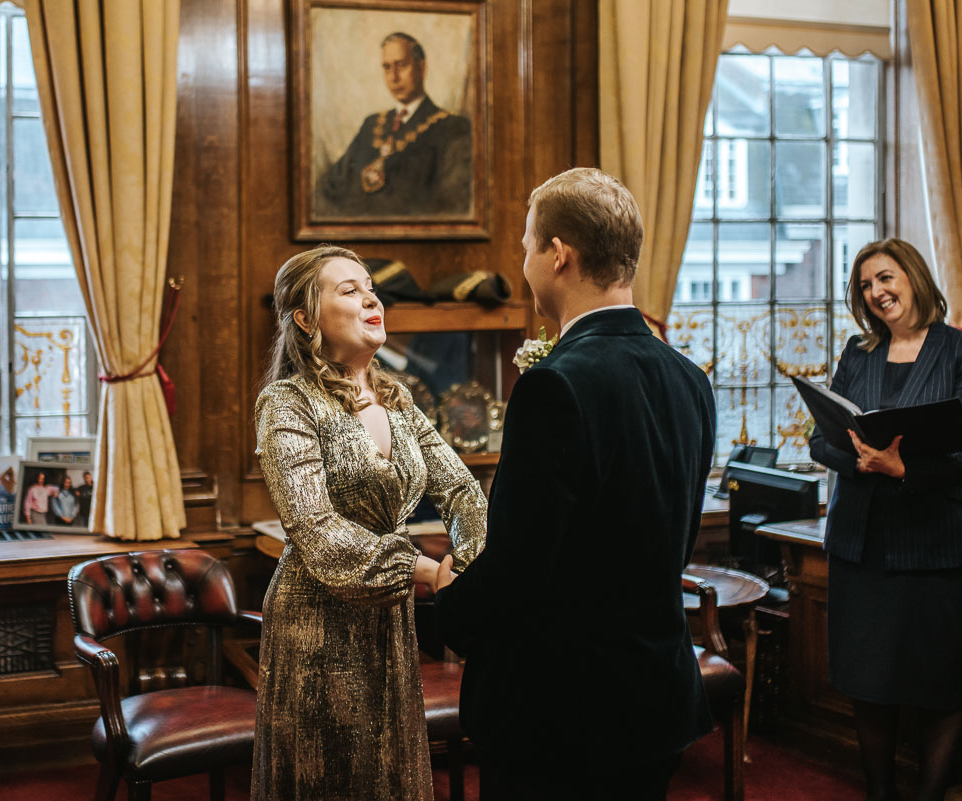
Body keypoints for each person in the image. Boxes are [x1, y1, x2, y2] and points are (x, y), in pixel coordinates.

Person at [432, 168, 717, 799]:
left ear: (558, 254)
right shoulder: (689, 378)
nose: (525, 262)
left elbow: (521, 569)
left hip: (564, 715)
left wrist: (447, 597)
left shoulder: (555, 385)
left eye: (527, 245)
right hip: (656, 697)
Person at [251, 245, 486, 800]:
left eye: (370, 287)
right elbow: (316, 529)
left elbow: (460, 489)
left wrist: (473, 571)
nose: (371, 298)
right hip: (314, 625)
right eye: (348, 290)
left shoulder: (396, 397)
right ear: (306, 319)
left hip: (389, 618)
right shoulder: (286, 403)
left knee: (390, 774)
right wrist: (427, 571)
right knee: (328, 779)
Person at [808, 238, 962, 801]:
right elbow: (823, 441)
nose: (877, 292)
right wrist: (868, 461)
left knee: (940, 682)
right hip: (862, 546)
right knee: (869, 682)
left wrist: (901, 467)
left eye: (885, 278)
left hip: (940, 545)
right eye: (866, 285)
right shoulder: (857, 353)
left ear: (913, 277)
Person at [317, 32, 472, 217]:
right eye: (387, 67)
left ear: (422, 68)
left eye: (401, 65)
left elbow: (452, 205)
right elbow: (332, 186)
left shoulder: (452, 127)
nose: (394, 77)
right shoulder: (371, 124)